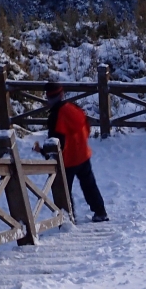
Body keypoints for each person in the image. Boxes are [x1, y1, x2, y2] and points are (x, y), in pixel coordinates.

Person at [45, 81, 109, 222]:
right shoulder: (74, 107)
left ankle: (68, 219)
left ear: (49, 98)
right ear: (61, 94)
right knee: (89, 185)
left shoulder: (56, 116)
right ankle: (100, 212)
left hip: (67, 160)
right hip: (83, 154)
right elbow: (86, 127)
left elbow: (56, 144)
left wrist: (43, 151)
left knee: (64, 191)